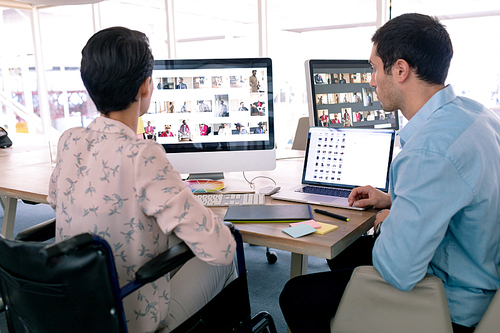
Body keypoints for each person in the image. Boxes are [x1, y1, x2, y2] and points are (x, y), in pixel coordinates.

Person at [280, 13, 500, 333]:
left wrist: (390, 224)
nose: (371, 81)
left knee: (295, 296)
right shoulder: (477, 114)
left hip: (452, 303)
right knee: (344, 252)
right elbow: (458, 190)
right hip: (480, 271)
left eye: (374, 68)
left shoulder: (428, 150)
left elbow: (398, 271)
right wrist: (392, 200)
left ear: (399, 70)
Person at [47, 27, 236, 333]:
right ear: (146, 86)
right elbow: (220, 248)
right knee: (228, 253)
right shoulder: (143, 154)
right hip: (132, 320)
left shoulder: (68, 141)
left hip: (77, 310)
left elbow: (57, 201)